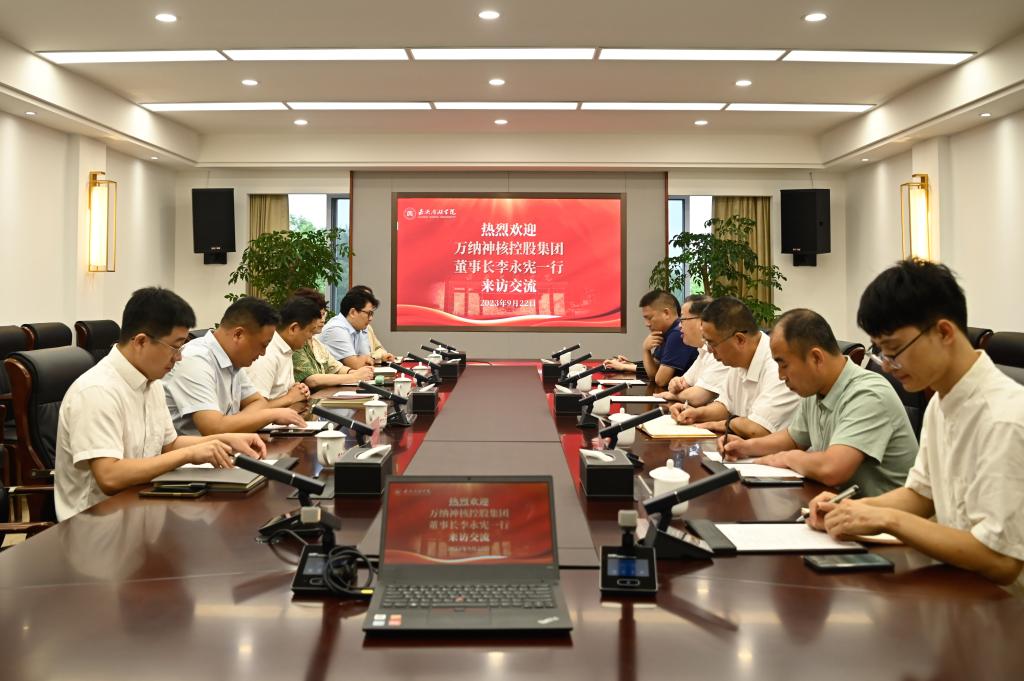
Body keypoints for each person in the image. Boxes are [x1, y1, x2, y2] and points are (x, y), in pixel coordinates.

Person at [808, 259, 1024, 592]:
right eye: (881, 352)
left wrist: (887, 519)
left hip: (1002, 606)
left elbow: (1001, 560)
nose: (888, 366)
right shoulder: (941, 401)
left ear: (944, 333)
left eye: (894, 350)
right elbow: (922, 495)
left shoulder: (1004, 418)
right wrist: (851, 510)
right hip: (954, 585)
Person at [54, 288, 267, 520]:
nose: (179, 357)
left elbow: (169, 444)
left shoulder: (152, 382)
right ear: (141, 342)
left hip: (144, 509)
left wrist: (225, 440)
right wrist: (190, 454)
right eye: (175, 347)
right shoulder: (97, 391)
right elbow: (110, 476)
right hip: (97, 524)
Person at [720, 308, 917, 496]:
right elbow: (793, 439)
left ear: (816, 358)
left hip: (884, 514)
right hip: (840, 505)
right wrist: (746, 447)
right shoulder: (815, 391)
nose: (780, 376)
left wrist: (787, 458)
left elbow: (832, 469)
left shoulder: (868, 394)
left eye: (784, 365)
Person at [163, 297, 307, 435]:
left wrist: (232, 422)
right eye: (263, 345)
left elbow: (259, 402)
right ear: (238, 334)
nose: (263, 353)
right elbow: (213, 428)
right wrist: (270, 415)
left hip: (226, 446)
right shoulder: (195, 359)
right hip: (194, 451)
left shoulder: (232, 360)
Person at [670, 296, 798, 437]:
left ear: (739, 339)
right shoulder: (737, 360)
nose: (710, 350)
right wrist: (696, 413)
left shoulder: (778, 366)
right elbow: (725, 407)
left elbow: (758, 429)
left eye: (712, 343)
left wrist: (726, 423)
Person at [604, 290, 697, 388]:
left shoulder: (677, 333)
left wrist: (644, 351)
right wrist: (645, 351)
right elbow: (653, 373)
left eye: (649, 318)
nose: (646, 324)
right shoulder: (665, 333)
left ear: (666, 313)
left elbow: (660, 380)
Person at [290, 288, 375, 389]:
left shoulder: (315, 342)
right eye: (319, 315)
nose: (322, 320)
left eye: (323, 314)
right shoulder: (296, 342)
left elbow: (336, 368)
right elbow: (312, 380)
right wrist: (354, 376)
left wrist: (356, 373)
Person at [655, 294, 729, 406]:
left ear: (702, 320)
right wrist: (675, 382)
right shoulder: (703, 351)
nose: (679, 326)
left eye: (682, 320)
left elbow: (697, 397)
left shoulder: (722, 352)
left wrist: (675, 395)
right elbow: (682, 383)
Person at [244, 296, 318, 406]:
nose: (311, 337)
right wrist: (290, 398)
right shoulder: (266, 354)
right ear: (293, 328)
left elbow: (282, 393)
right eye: (311, 331)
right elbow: (252, 409)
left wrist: (299, 390)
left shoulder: (286, 348)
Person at [320, 288, 378, 369]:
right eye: (369, 313)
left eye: (372, 314)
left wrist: (365, 359)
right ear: (353, 312)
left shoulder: (357, 328)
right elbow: (356, 366)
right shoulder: (336, 328)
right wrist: (363, 359)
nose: (371, 318)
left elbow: (367, 358)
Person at [348, 285, 396, 363]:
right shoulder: (342, 329)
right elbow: (355, 361)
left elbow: (380, 349)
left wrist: (379, 356)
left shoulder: (367, 327)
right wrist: (374, 357)